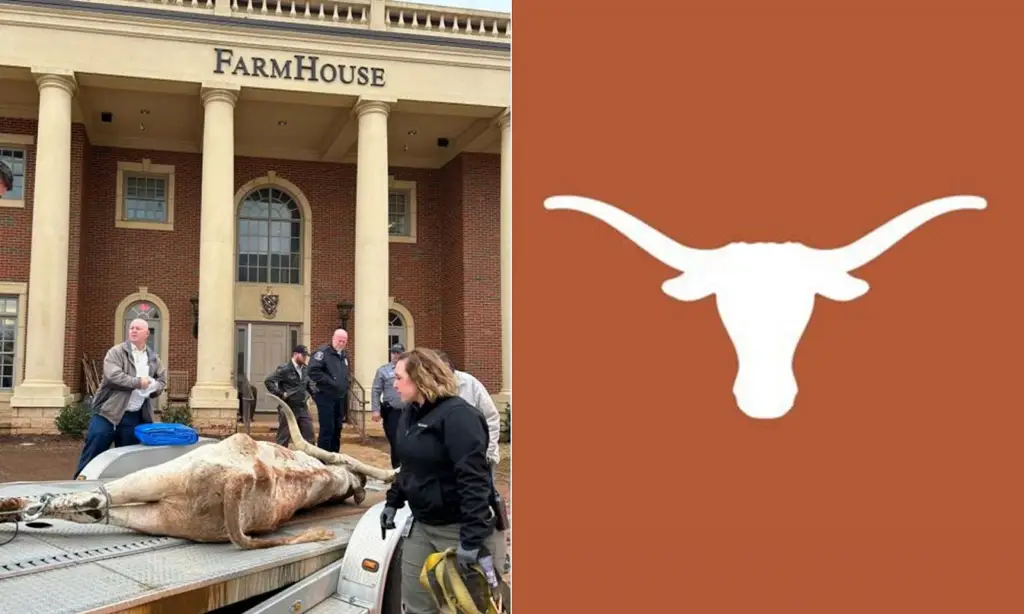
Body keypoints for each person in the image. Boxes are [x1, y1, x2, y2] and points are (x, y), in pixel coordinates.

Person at [379, 348, 506, 614]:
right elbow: (410, 466)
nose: (393, 383)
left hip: (458, 527)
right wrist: (393, 501)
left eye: (399, 377)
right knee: (416, 604)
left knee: (466, 607)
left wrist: (471, 541)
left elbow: (475, 482)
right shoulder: (410, 413)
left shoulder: (459, 416)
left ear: (420, 378)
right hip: (423, 525)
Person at [74, 318, 167, 478]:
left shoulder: (153, 358)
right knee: (93, 453)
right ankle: (78, 487)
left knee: (125, 460)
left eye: (138, 328)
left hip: (133, 416)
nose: (133, 330)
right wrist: (139, 382)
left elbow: (162, 381)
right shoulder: (116, 352)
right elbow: (113, 376)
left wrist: (154, 386)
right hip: (108, 413)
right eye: (131, 328)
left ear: (147, 333)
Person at [434, 350, 502, 474]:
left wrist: (488, 452)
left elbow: (491, 417)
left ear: (448, 366)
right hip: (448, 460)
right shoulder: (431, 387)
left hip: (478, 457)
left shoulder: (470, 383)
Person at [264, 344, 317, 447]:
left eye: (306, 355)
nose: (305, 358)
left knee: (309, 434)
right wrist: (280, 394)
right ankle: (280, 459)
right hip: (288, 407)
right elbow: (269, 381)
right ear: (295, 354)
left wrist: (319, 397)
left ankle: (311, 459)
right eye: (303, 355)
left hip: (302, 408)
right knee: (284, 436)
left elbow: (310, 387)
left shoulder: (305, 369)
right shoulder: (285, 369)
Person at [307, 328, 350, 453]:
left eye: (344, 341)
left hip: (340, 397)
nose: (341, 343)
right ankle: (323, 458)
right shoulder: (322, 353)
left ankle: (334, 455)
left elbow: (346, 373)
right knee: (327, 428)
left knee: (337, 427)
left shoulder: (344, 355)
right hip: (326, 396)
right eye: (339, 340)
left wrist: (347, 383)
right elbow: (313, 371)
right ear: (333, 339)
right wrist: (331, 382)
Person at [370, 342, 407, 468]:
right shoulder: (383, 371)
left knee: (407, 441)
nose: (396, 355)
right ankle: (397, 470)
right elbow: (376, 390)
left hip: (409, 411)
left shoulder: (410, 369)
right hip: (392, 412)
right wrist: (375, 410)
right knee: (395, 442)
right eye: (394, 352)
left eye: (399, 352)